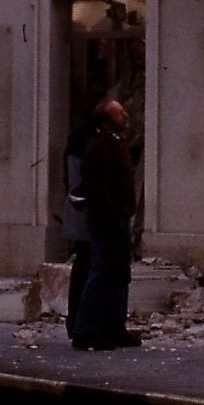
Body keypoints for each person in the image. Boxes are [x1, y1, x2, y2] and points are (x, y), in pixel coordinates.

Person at [71, 98, 140, 350]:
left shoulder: (116, 144)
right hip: (107, 222)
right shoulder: (99, 147)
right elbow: (98, 188)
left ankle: (114, 328)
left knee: (119, 276)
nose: (126, 118)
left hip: (118, 219)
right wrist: (113, 215)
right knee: (102, 273)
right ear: (106, 121)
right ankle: (87, 331)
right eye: (120, 115)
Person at [60, 116, 97, 338]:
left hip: (79, 215)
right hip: (86, 216)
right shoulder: (87, 149)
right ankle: (80, 321)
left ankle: (76, 321)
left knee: (82, 267)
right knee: (87, 268)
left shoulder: (74, 148)